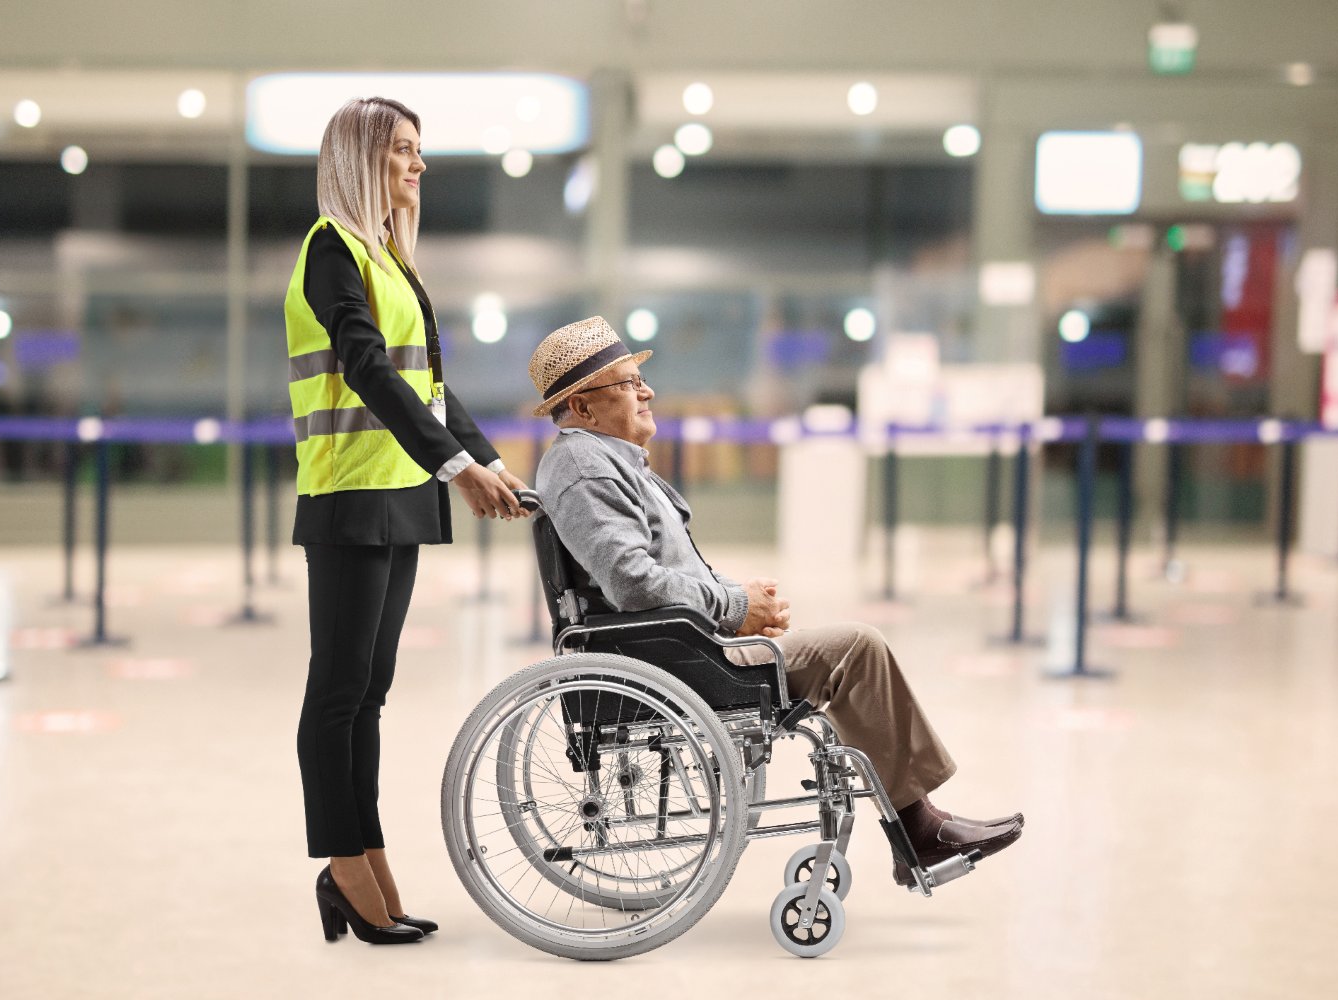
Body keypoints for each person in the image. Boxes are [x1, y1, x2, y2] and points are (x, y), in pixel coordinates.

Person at [527, 317, 1023, 885]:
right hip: (666, 659)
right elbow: (632, 582)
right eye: (629, 382)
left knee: (844, 650)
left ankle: (918, 823)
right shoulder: (584, 467)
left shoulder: (606, 462)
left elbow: (653, 574)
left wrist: (736, 602)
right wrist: (734, 607)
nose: (648, 391)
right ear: (584, 409)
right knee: (857, 649)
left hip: (680, 644)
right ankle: (918, 828)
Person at [287, 97, 528, 946]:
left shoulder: (392, 259)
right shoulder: (332, 249)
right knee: (339, 690)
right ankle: (344, 866)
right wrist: (455, 466)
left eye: (419, 151)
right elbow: (364, 367)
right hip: (351, 494)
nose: (417, 166)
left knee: (370, 694)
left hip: (398, 494)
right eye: (401, 151)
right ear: (359, 159)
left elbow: (426, 383)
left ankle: (366, 854)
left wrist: (486, 457)